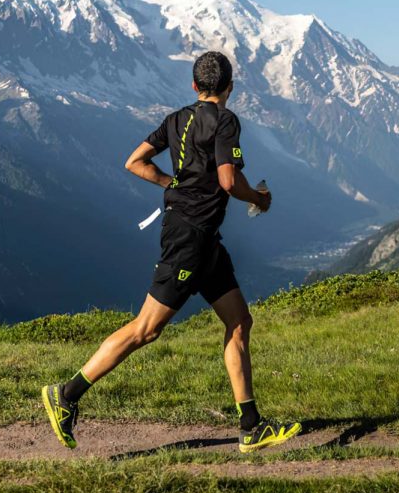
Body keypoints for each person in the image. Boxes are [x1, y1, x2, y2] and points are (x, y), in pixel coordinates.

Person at [41, 51, 302, 453]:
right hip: (190, 241)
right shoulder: (227, 121)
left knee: (238, 321)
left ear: (195, 87)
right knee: (146, 329)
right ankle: (67, 395)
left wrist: (171, 184)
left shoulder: (177, 119)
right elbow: (229, 181)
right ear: (230, 87)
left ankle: (251, 427)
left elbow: (134, 162)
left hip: (202, 239)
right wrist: (260, 198)